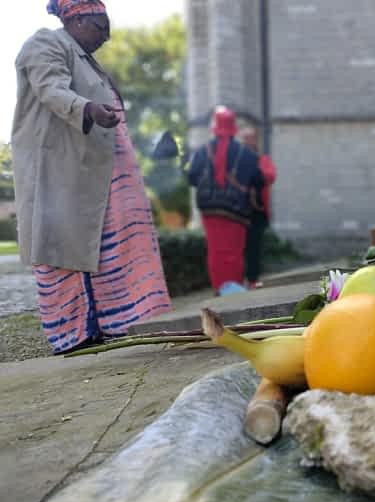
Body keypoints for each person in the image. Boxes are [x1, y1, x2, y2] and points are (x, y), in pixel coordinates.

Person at [11, 0, 172, 355]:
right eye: (101, 27)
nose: (107, 37)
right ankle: (76, 333)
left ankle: (122, 322)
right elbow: (50, 88)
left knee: (117, 246)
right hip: (63, 174)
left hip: (102, 175)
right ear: (78, 19)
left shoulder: (86, 58)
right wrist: (85, 108)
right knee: (66, 246)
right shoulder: (46, 43)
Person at [188, 107, 264, 295]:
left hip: (210, 209)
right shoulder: (247, 154)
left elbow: (191, 178)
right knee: (234, 252)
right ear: (233, 129)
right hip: (237, 210)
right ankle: (234, 289)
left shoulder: (201, 152)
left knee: (215, 251)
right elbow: (259, 180)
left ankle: (219, 288)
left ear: (215, 128)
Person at [240, 127, 276, 290]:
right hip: (238, 210)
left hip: (257, 211)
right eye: (245, 138)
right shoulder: (236, 161)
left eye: (251, 138)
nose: (248, 141)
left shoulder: (262, 160)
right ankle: (239, 280)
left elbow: (271, 175)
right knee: (239, 247)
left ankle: (253, 280)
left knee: (254, 246)